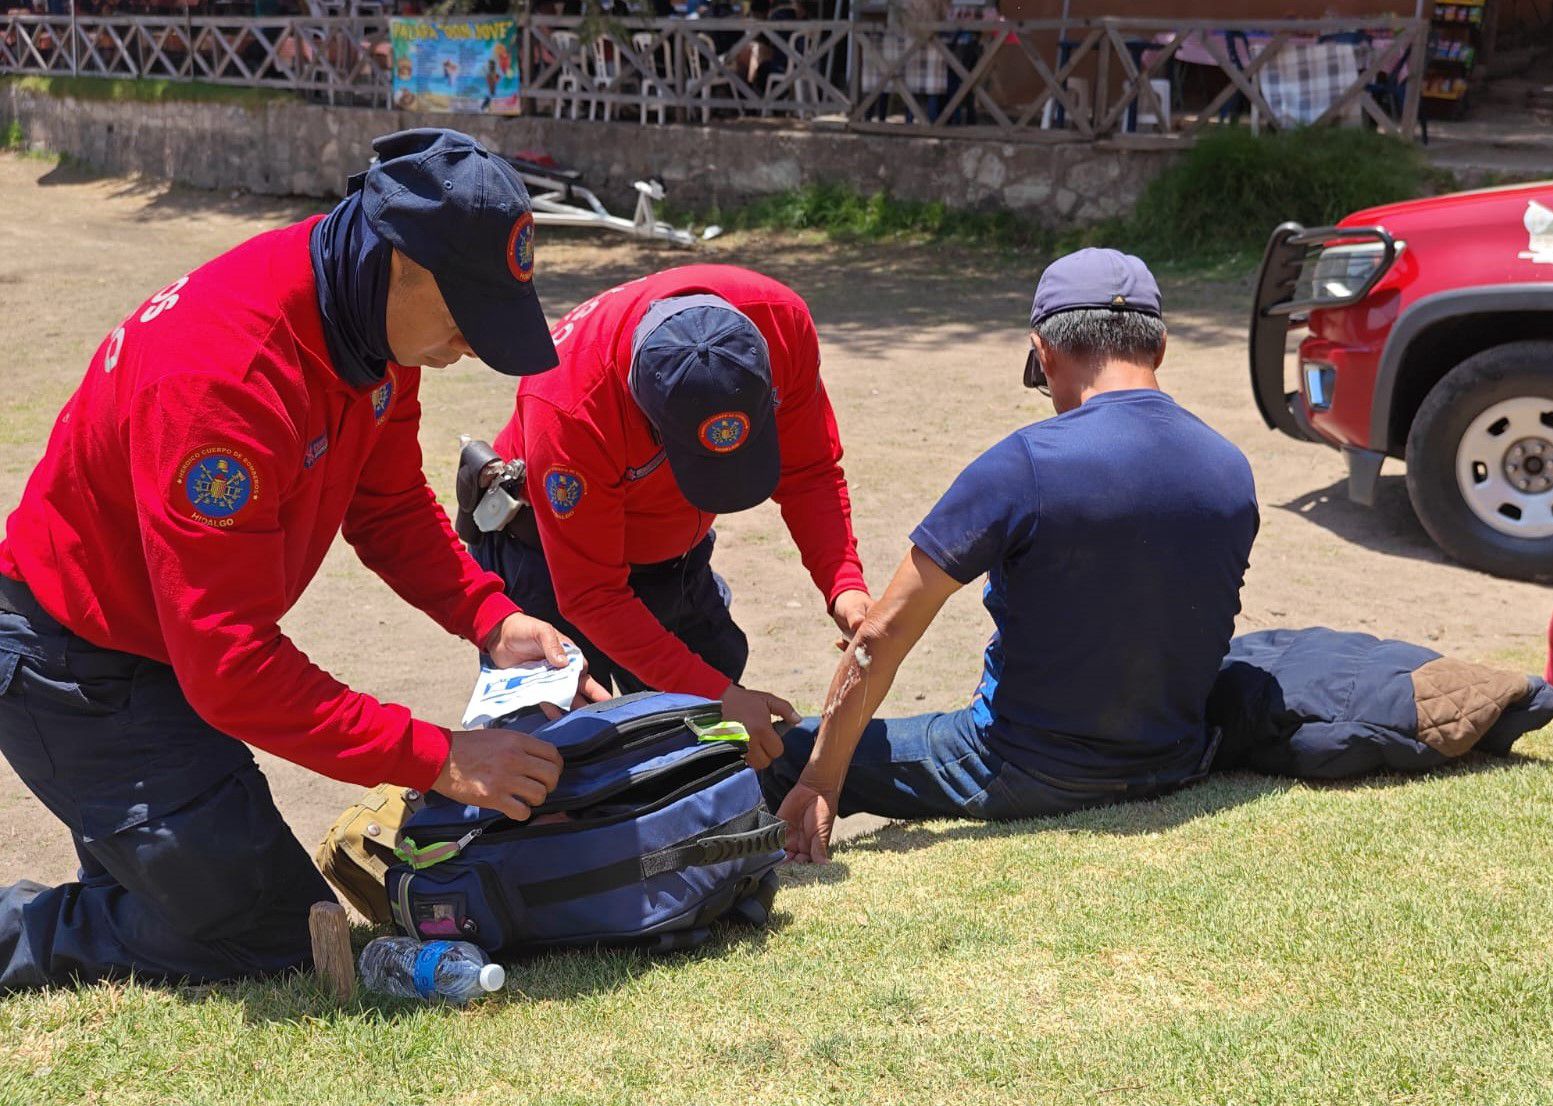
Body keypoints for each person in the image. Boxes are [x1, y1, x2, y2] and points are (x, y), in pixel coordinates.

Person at [0, 128, 604, 989]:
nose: (470, 346)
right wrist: (439, 756)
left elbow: (386, 501)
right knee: (264, 936)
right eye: (467, 318)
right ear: (403, 263)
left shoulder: (364, 316)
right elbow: (233, 666)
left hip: (162, 642)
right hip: (79, 669)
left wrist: (491, 616)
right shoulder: (226, 383)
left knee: (241, 903)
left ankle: (150, 869)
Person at [764, 248, 1261, 862]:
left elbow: (882, 635)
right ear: (1159, 349)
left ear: (1044, 352)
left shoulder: (1025, 464)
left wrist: (818, 780)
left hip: (1024, 768)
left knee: (780, 750)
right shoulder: (1230, 468)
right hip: (1171, 759)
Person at [469, 265, 873, 771]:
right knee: (554, 763)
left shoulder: (780, 324)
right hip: (549, 563)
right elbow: (591, 594)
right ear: (646, 415)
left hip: (671, 557)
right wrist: (715, 694)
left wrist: (844, 585)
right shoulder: (570, 404)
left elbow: (810, 470)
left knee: (706, 760)